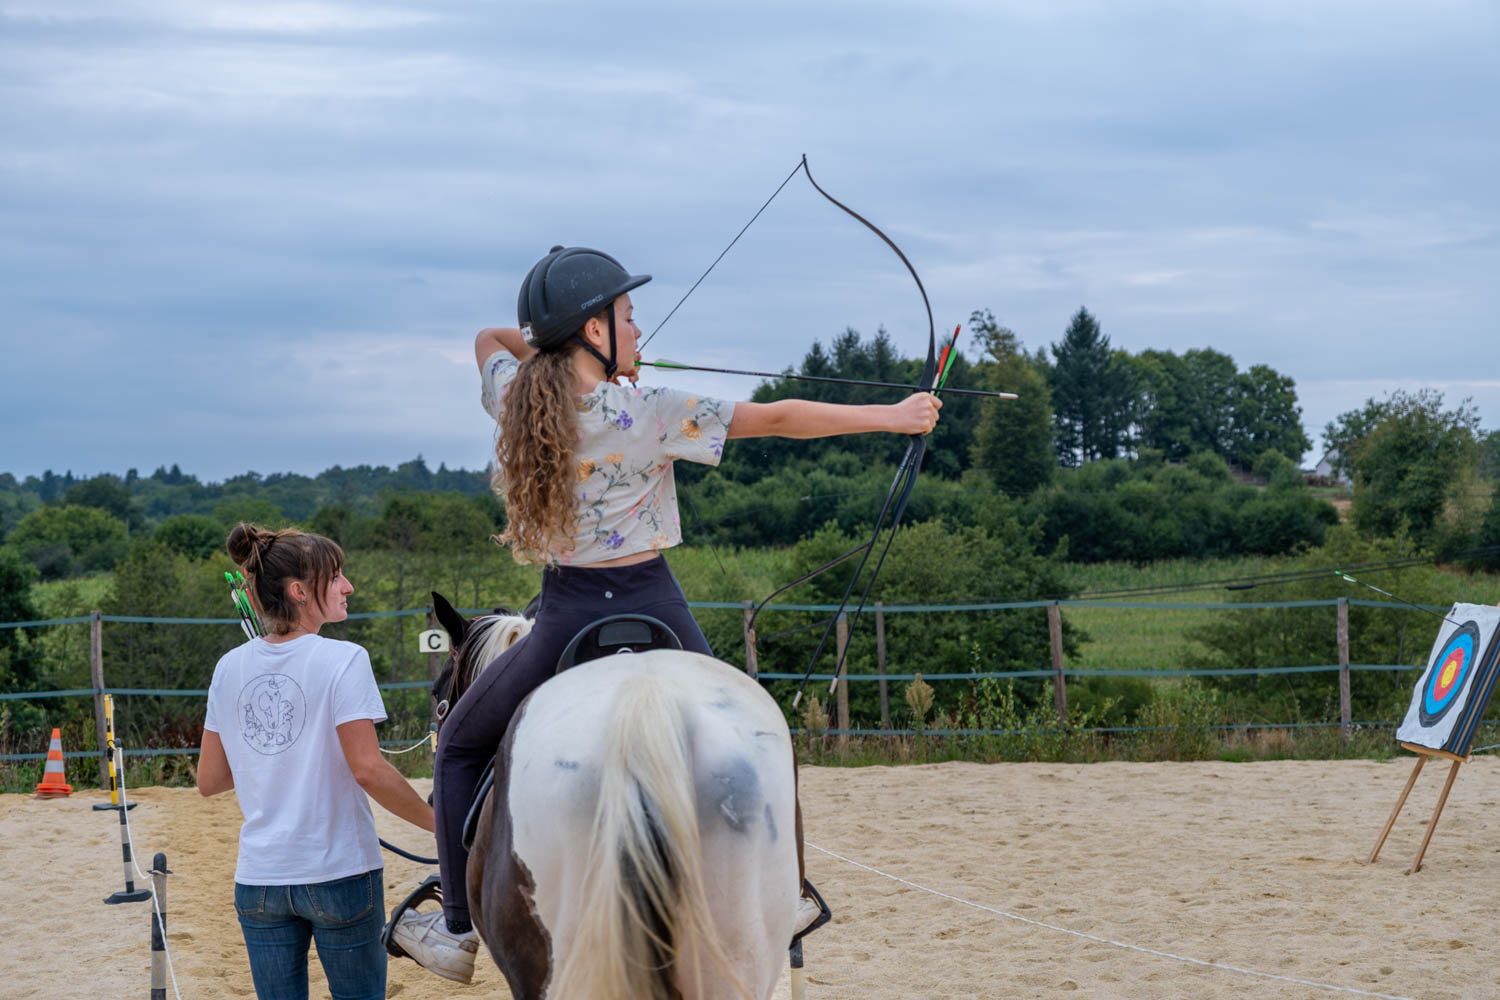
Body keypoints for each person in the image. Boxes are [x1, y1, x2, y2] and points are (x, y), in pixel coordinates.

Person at [389, 245, 941, 983]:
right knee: (757, 734)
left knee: (458, 745)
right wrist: (895, 416)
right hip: (655, 602)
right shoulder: (650, 408)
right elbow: (779, 418)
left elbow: (488, 339)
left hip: (563, 615)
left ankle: (457, 927)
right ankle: (788, 899)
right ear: (593, 330)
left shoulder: (515, 398)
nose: (639, 330)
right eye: (626, 317)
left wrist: (546, 352)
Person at [199, 524, 435, 1000]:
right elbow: (368, 769)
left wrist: (271, 760)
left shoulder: (228, 667)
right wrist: (440, 827)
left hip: (260, 879)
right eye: (337, 576)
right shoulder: (344, 658)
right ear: (299, 590)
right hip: (338, 871)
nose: (349, 586)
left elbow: (210, 779)